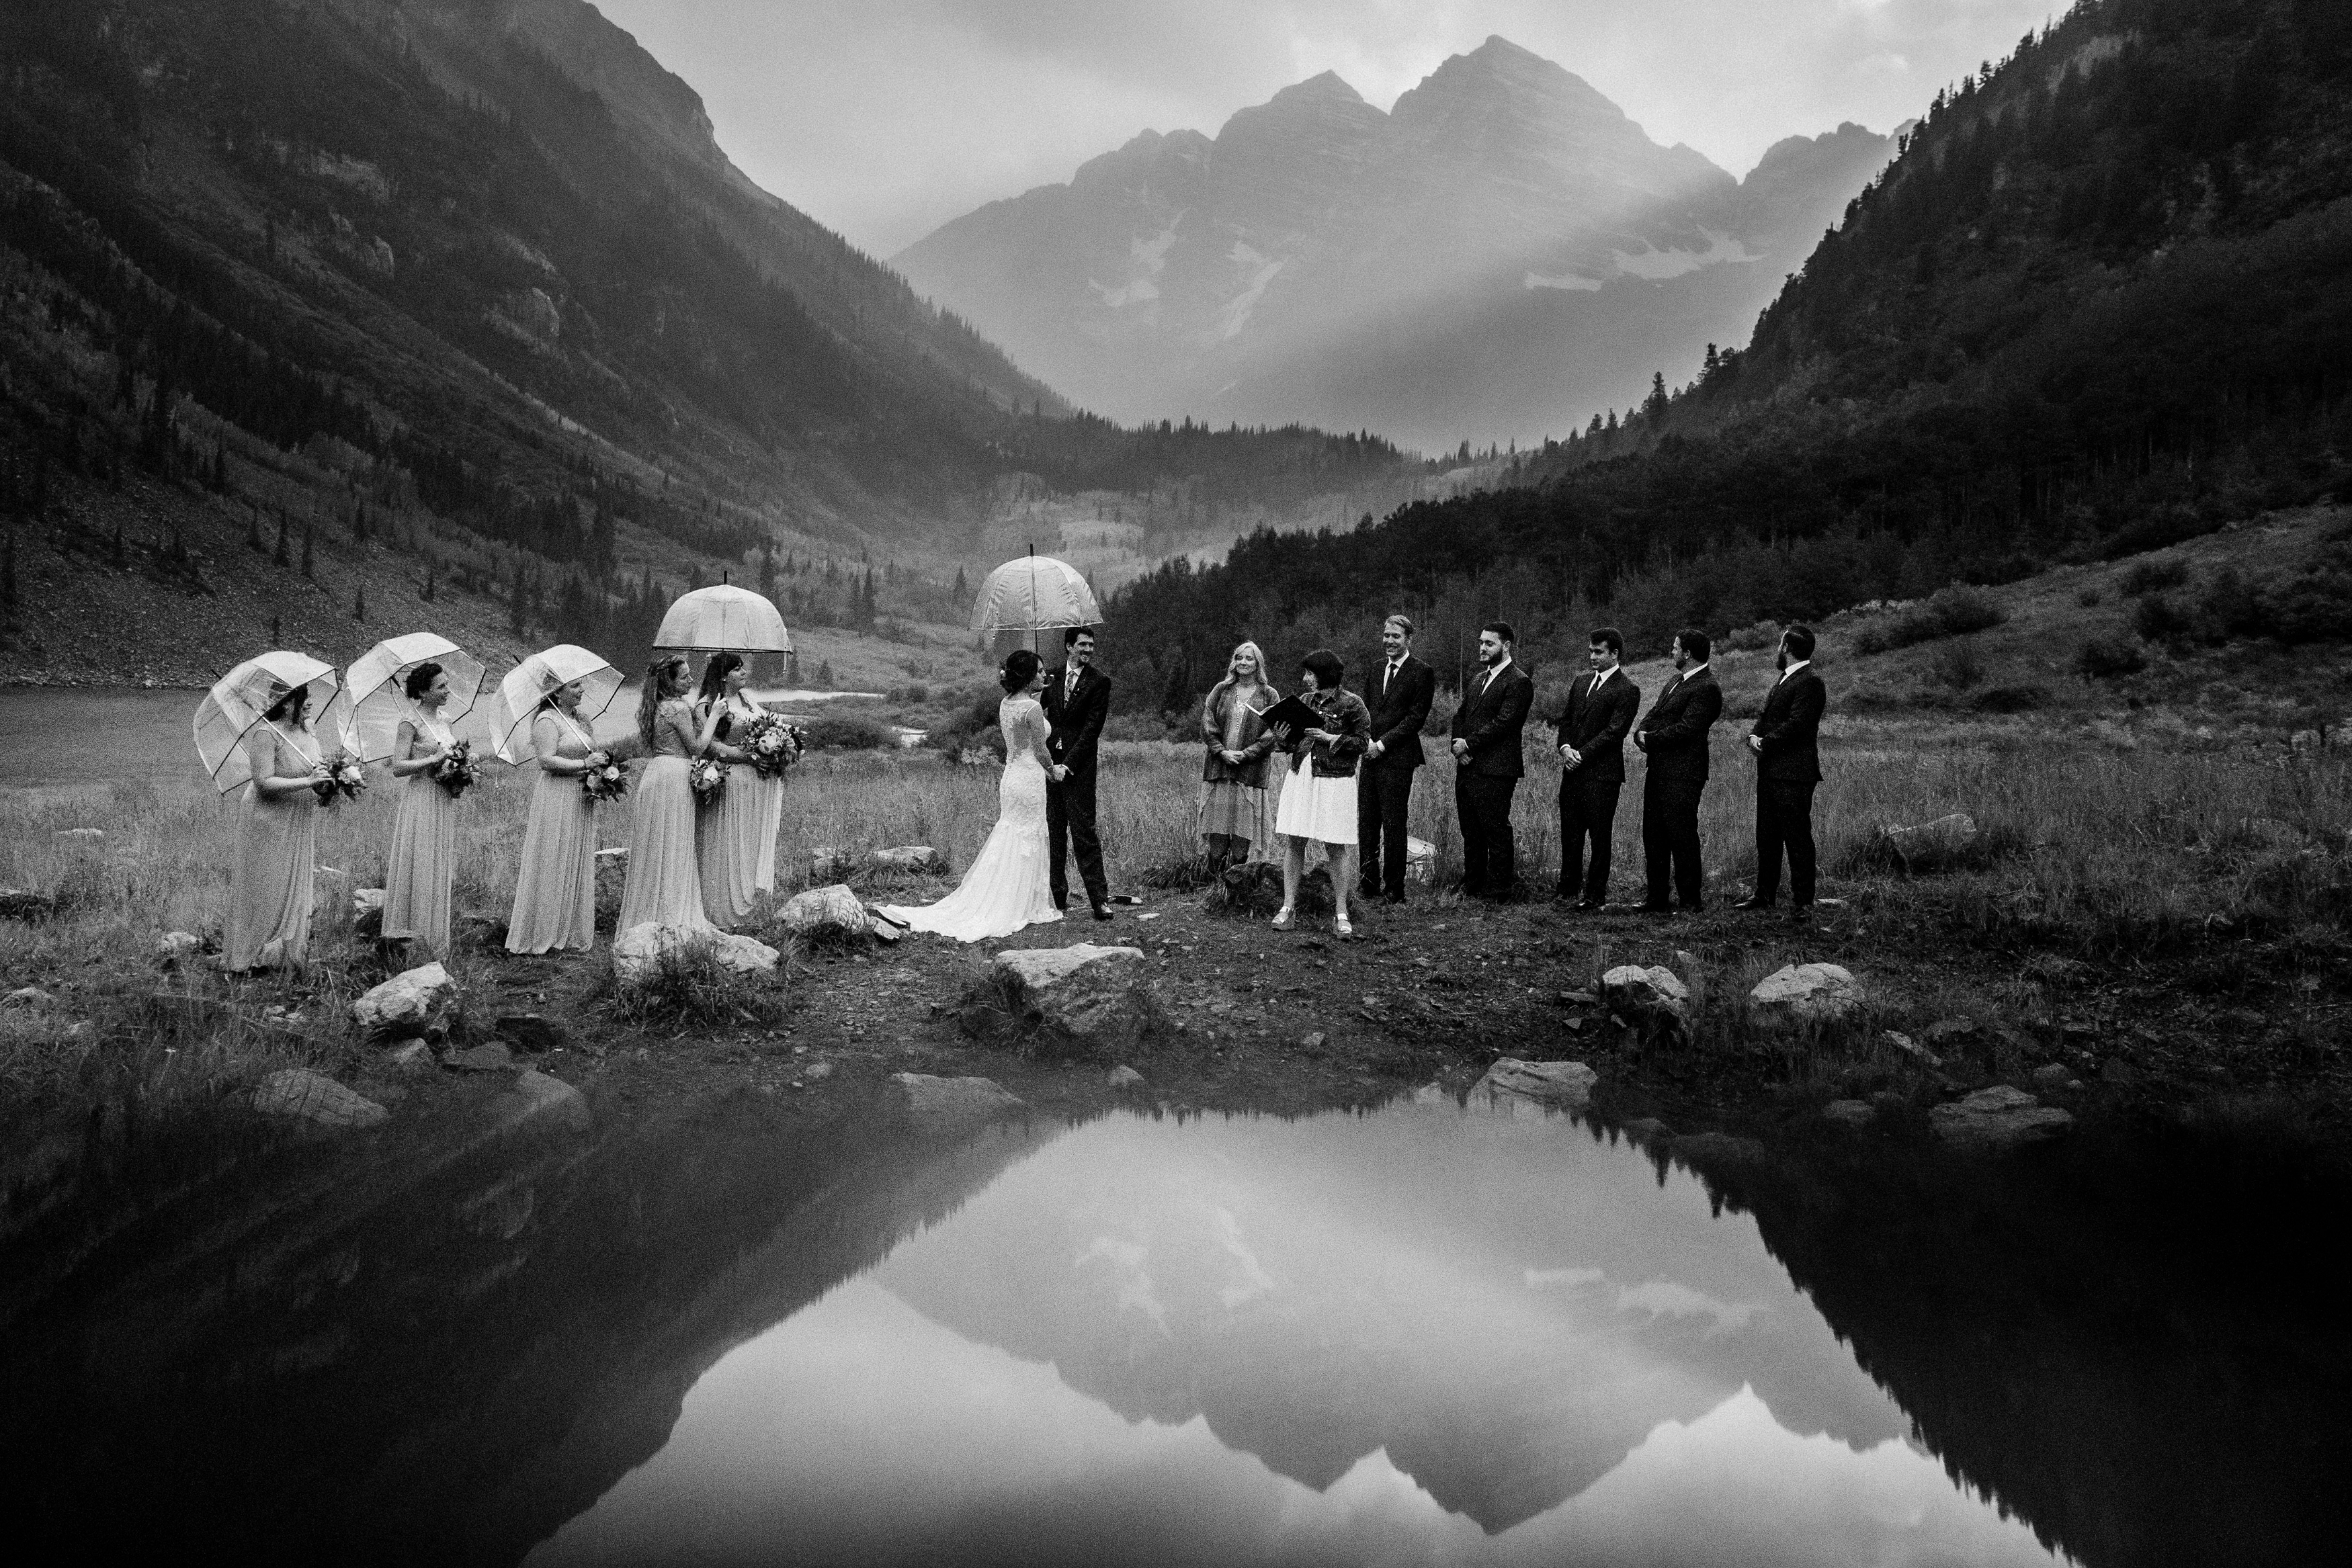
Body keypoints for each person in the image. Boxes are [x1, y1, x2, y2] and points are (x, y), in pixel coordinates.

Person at [879, 650, 1067, 941]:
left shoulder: (1008, 703)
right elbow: (1041, 750)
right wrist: (1054, 770)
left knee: (1013, 835)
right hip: (1029, 780)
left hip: (1012, 777)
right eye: (1040, 672)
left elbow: (1020, 738)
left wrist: (1037, 699)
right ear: (1029, 676)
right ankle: (1023, 904)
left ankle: (1012, 898)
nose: (1045, 676)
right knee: (1028, 836)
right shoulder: (1031, 709)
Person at [616, 654, 728, 936]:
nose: (691, 680)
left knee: (655, 843)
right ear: (670, 680)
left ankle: (650, 911)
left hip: (655, 774)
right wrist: (714, 716)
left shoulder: (655, 706)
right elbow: (697, 748)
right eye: (685, 677)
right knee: (676, 842)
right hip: (675, 775)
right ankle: (672, 913)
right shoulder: (677, 708)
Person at [224, 681, 330, 973]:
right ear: (285, 703)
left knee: (293, 885)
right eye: (302, 697)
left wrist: (327, 783)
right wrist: (307, 783)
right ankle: (252, 956)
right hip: (267, 818)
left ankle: (288, 957)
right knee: (267, 883)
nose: (309, 703)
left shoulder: (308, 732)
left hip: (298, 815)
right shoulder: (265, 734)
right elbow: (263, 782)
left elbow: (315, 768)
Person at [1269, 648, 1371, 935]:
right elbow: (1294, 742)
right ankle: (1288, 907)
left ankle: (1342, 912)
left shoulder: (1353, 704)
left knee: (1337, 845)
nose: (1305, 679)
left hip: (1336, 781)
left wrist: (1331, 738)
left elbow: (1363, 743)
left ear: (1324, 674)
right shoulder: (1304, 702)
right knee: (1295, 840)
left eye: (1309, 674)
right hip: (1302, 776)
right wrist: (1282, 739)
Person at [506, 675, 610, 955]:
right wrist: (584, 763)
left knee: (573, 854)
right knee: (554, 854)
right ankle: (544, 931)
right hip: (557, 794)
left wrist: (598, 767)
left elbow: (587, 751)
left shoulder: (576, 719)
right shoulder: (547, 720)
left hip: (579, 793)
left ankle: (570, 927)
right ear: (557, 691)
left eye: (581, 685)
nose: (582, 690)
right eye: (575, 686)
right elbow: (546, 759)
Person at [1738, 624, 1826, 919]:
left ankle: (1803, 902)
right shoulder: (1785, 679)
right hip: (1771, 770)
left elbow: (1798, 725)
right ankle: (1765, 894)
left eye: (1780, 644)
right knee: (1767, 835)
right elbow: (1768, 718)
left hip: (1794, 773)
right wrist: (1753, 735)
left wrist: (1765, 741)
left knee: (1797, 837)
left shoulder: (1811, 682)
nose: (1778, 649)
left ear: (1787, 648)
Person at [1633, 627, 1723, 914]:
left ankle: (1690, 901)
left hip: (1684, 773)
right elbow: (1655, 713)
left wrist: (1651, 739)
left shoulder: (1707, 687)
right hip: (1658, 769)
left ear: (1687, 653)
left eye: (1675, 648)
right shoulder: (1675, 680)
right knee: (1654, 835)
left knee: (1682, 835)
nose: (1671, 652)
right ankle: (1656, 898)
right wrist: (1640, 731)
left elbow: (1688, 729)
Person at [1552, 626, 1640, 910]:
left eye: (1598, 652)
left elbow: (1615, 732)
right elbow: (1565, 721)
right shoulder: (1580, 682)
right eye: (1590, 651)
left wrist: (1581, 755)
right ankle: (1568, 887)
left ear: (1614, 654)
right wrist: (1565, 749)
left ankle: (1595, 894)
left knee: (1600, 836)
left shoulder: (1627, 689)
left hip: (1602, 775)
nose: (1592, 656)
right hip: (1573, 770)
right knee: (1571, 831)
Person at [694, 652, 784, 928]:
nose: (744, 673)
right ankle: (722, 910)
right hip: (731, 778)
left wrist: (778, 744)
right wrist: (744, 756)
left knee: (749, 839)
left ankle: (749, 903)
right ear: (723, 675)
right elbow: (709, 745)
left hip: (756, 780)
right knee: (728, 840)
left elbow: (769, 728)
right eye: (736, 669)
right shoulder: (707, 706)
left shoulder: (748, 701)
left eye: (744, 668)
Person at [1447, 621, 1534, 899]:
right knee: (1470, 830)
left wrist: (1469, 744)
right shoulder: (1477, 679)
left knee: (1495, 829)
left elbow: (1506, 723)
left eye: (1489, 643)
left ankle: (1499, 889)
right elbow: (1460, 716)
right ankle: (1472, 883)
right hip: (1468, 766)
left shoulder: (1519, 681)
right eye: (1481, 642)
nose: (1482, 648)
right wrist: (1457, 746)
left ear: (1506, 646)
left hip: (1497, 769)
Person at [383, 661, 462, 957]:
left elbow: (450, 754)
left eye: (447, 684)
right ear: (423, 691)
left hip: (443, 798)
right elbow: (398, 767)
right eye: (441, 686)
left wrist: (462, 765)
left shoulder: (445, 719)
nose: (447, 691)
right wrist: (432, 760)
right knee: (421, 858)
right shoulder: (410, 722)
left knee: (438, 860)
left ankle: (435, 938)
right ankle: (413, 935)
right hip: (421, 798)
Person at [1357, 614, 1436, 905]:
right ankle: (1367, 885)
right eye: (1387, 635)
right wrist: (1366, 740)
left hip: (1398, 758)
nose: (1390, 641)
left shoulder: (1421, 672)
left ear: (1408, 640)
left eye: (1396, 637)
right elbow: (1364, 710)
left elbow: (1416, 718)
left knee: (1393, 823)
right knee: (1367, 823)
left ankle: (1394, 889)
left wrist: (1382, 744)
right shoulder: (1376, 669)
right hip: (1369, 756)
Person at [1041, 625, 1112, 920]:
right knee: (1054, 832)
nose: (1088, 650)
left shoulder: (1099, 682)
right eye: (1082, 645)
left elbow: (1091, 730)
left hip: (1078, 770)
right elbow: (1038, 714)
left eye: (1091, 646)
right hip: (1049, 768)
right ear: (1069, 646)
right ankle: (1057, 898)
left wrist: (1067, 765)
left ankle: (1099, 900)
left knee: (1085, 835)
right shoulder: (1052, 677)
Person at [1197, 642, 1280, 867]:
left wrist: (1246, 754)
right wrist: (1221, 751)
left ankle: (1236, 886)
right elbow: (1207, 724)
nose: (1243, 662)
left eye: (1249, 658)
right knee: (1218, 833)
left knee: (1242, 833)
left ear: (1258, 663)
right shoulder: (1221, 690)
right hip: (1220, 771)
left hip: (1249, 775)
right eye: (1239, 658)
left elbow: (1273, 732)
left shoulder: (1269, 695)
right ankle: (1215, 888)